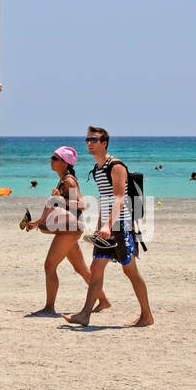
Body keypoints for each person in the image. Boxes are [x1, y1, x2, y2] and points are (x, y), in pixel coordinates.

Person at [64, 126, 154, 328]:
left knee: (130, 271)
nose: (89, 143)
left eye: (93, 140)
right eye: (87, 139)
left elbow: (119, 198)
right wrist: (99, 226)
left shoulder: (116, 166)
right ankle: (85, 314)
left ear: (104, 143)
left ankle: (147, 316)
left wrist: (107, 225)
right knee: (96, 268)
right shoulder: (97, 170)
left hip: (121, 226)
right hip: (107, 227)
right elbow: (104, 200)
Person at [22, 146, 107, 317]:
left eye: (55, 158)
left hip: (70, 231)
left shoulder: (69, 181)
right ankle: (103, 301)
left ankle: (49, 308)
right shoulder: (62, 181)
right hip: (69, 229)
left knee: (49, 265)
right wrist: (36, 223)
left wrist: (60, 199)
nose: (50, 161)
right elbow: (59, 208)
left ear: (64, 162)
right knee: (81, 269)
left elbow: (81, 204)